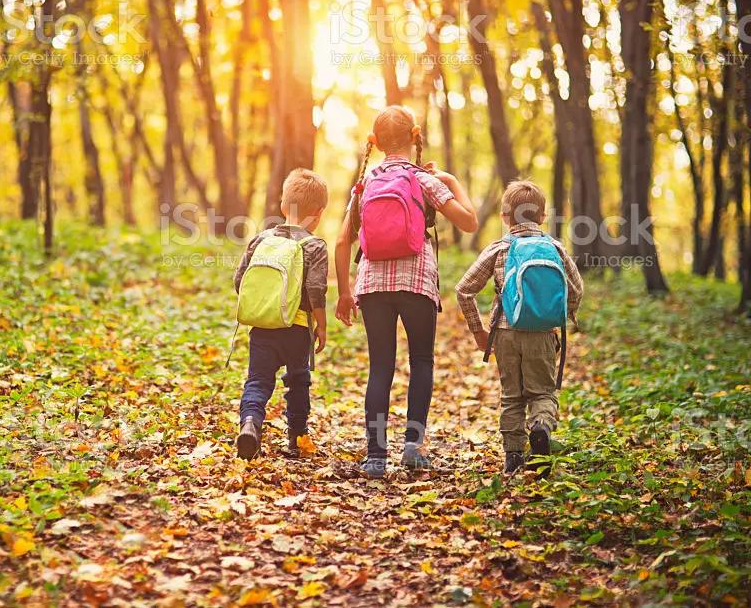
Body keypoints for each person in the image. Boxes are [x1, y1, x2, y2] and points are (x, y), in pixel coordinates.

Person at [334, 105, 478, 478]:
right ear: (415, 136)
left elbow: (341, 242)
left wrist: (345, 293)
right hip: (417, 281)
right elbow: (468, 222)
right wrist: (451, 181)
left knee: (380, 367)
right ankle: (413, 445)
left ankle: (375, 456)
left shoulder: (365, 184)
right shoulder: (424, 180)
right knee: (422, 362)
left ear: (375, 142)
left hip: (373, 284)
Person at [455, 180, 584, 474]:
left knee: (512, 396)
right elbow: (576, 288)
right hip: (542, 334)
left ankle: (513, 458)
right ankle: (540, 428)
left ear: (504, 216)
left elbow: (464, 289)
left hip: (505, 333)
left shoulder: (499, 248)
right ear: (542, 216)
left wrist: (478, 331)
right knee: (542, 393)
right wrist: (564, 316)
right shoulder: (554, 248)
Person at [234, 168, 329, 459]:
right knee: (298, 381)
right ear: (319, 212)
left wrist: (265, 305)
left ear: (282, 205)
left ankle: (250, 423)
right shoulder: (314, 245)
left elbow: (240, 281)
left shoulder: (260, 240)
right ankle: (296, 438)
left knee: (258, 380)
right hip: (297, 329)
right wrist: (322, 327)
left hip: (262, 327)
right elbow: (316, 290)